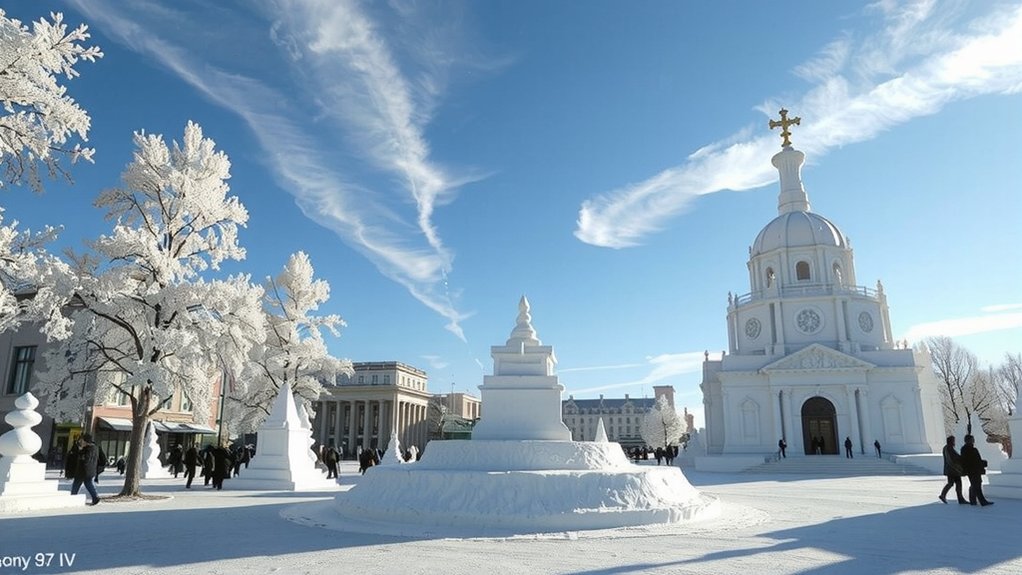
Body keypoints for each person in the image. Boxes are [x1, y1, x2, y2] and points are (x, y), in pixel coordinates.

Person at [960, 434, 993, 506]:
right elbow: (971, 461)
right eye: (972, 439)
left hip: (973, 469)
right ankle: (981, 501)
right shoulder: (969, 449)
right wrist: (982, 463)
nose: (973, 441)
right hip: (973, 470)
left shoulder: (968, 449)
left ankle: (973, 500)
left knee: (975, 484)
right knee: (976, 484)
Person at [70, 434, 101, 506]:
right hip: (91, 470)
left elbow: (84, 458)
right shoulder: (95, 448)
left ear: (86, 441)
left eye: (82, 441)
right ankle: (95, 497)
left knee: (76, 484)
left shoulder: (87, 449)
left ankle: (73, 497)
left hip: (83, 470)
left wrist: (80, 451)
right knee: (88, 483)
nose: (81, 442)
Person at [938, 435, 967, 504]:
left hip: (950, 470)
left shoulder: (946, 448)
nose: (954, 442)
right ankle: (960, 498)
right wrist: (961, 459)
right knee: (958, 483)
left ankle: (943, 495)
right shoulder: (949, 448)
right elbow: (954, 458)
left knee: (951, 483)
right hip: (953, 470)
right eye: (953, 441)